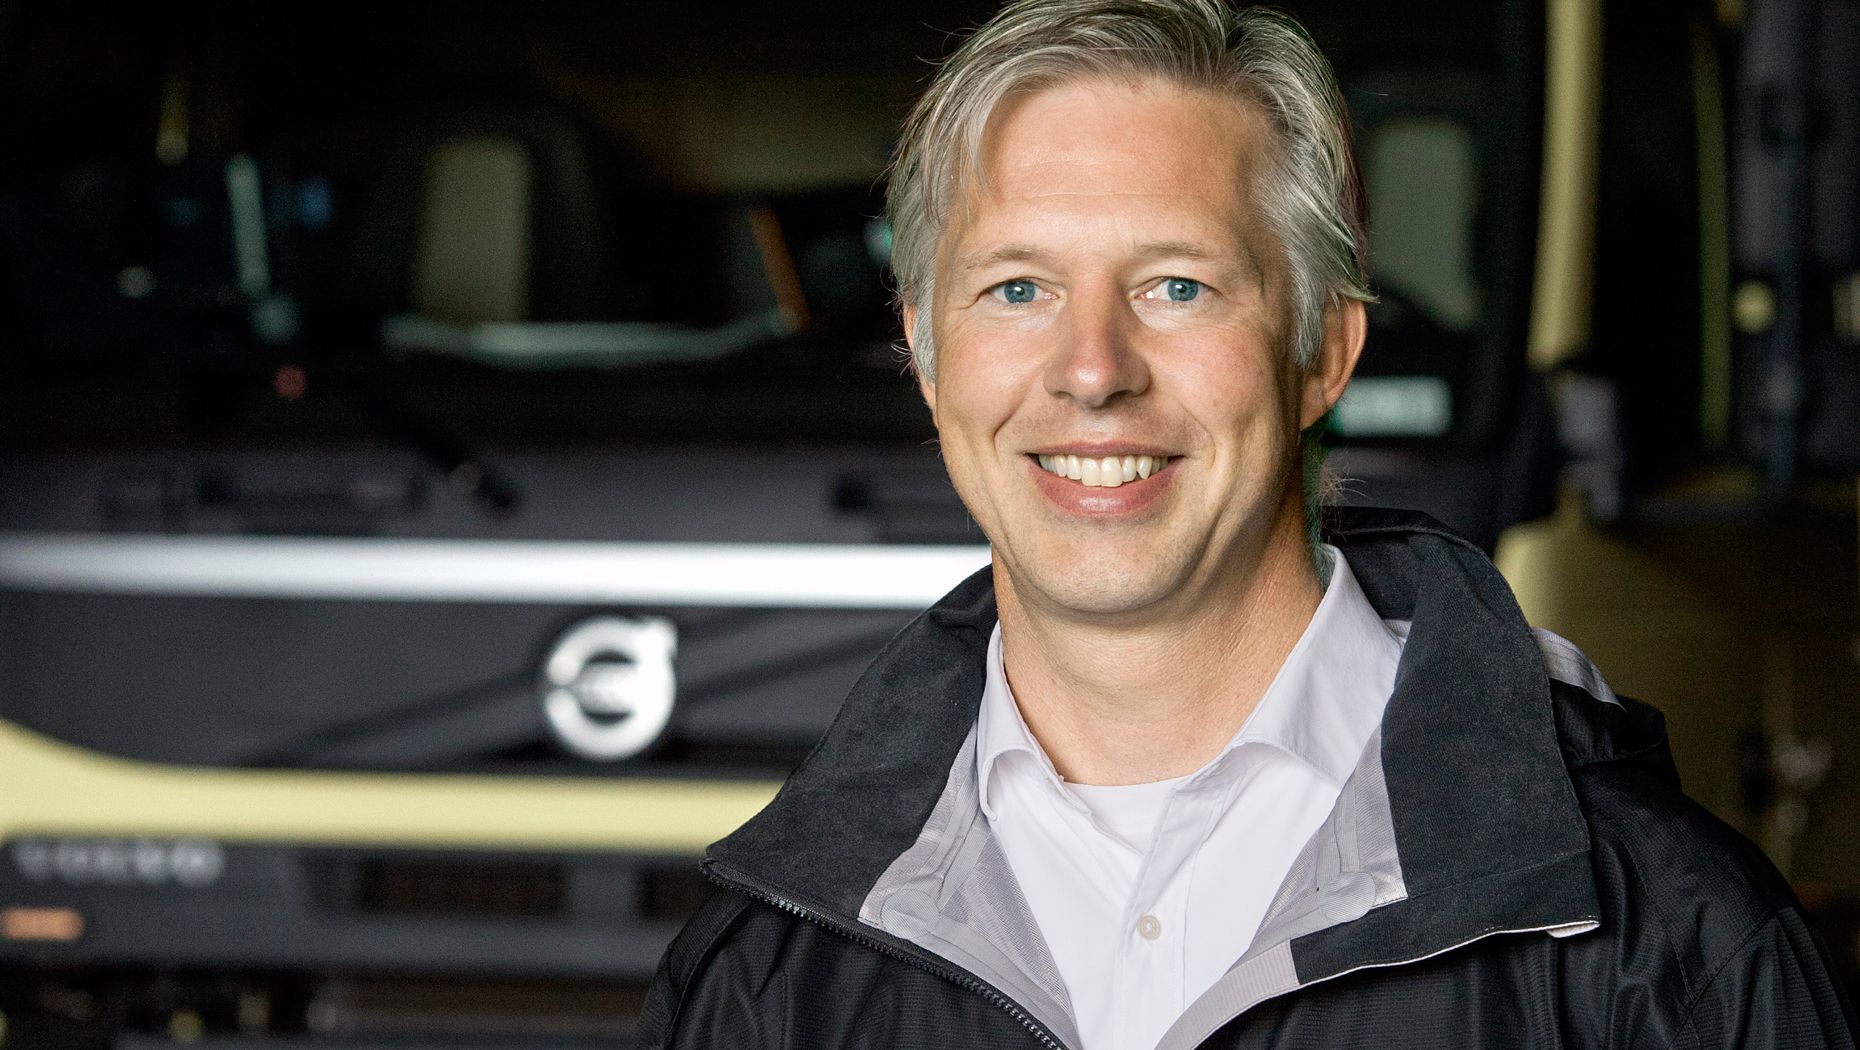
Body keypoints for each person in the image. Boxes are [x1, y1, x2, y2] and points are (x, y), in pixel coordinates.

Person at [637, 1, 1857, 1047]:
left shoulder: (1668, 940)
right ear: (926, 351)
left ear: (1323, 348)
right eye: (1018, 287)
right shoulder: (761, 970)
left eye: (1178, 286)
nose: (1093, 370)